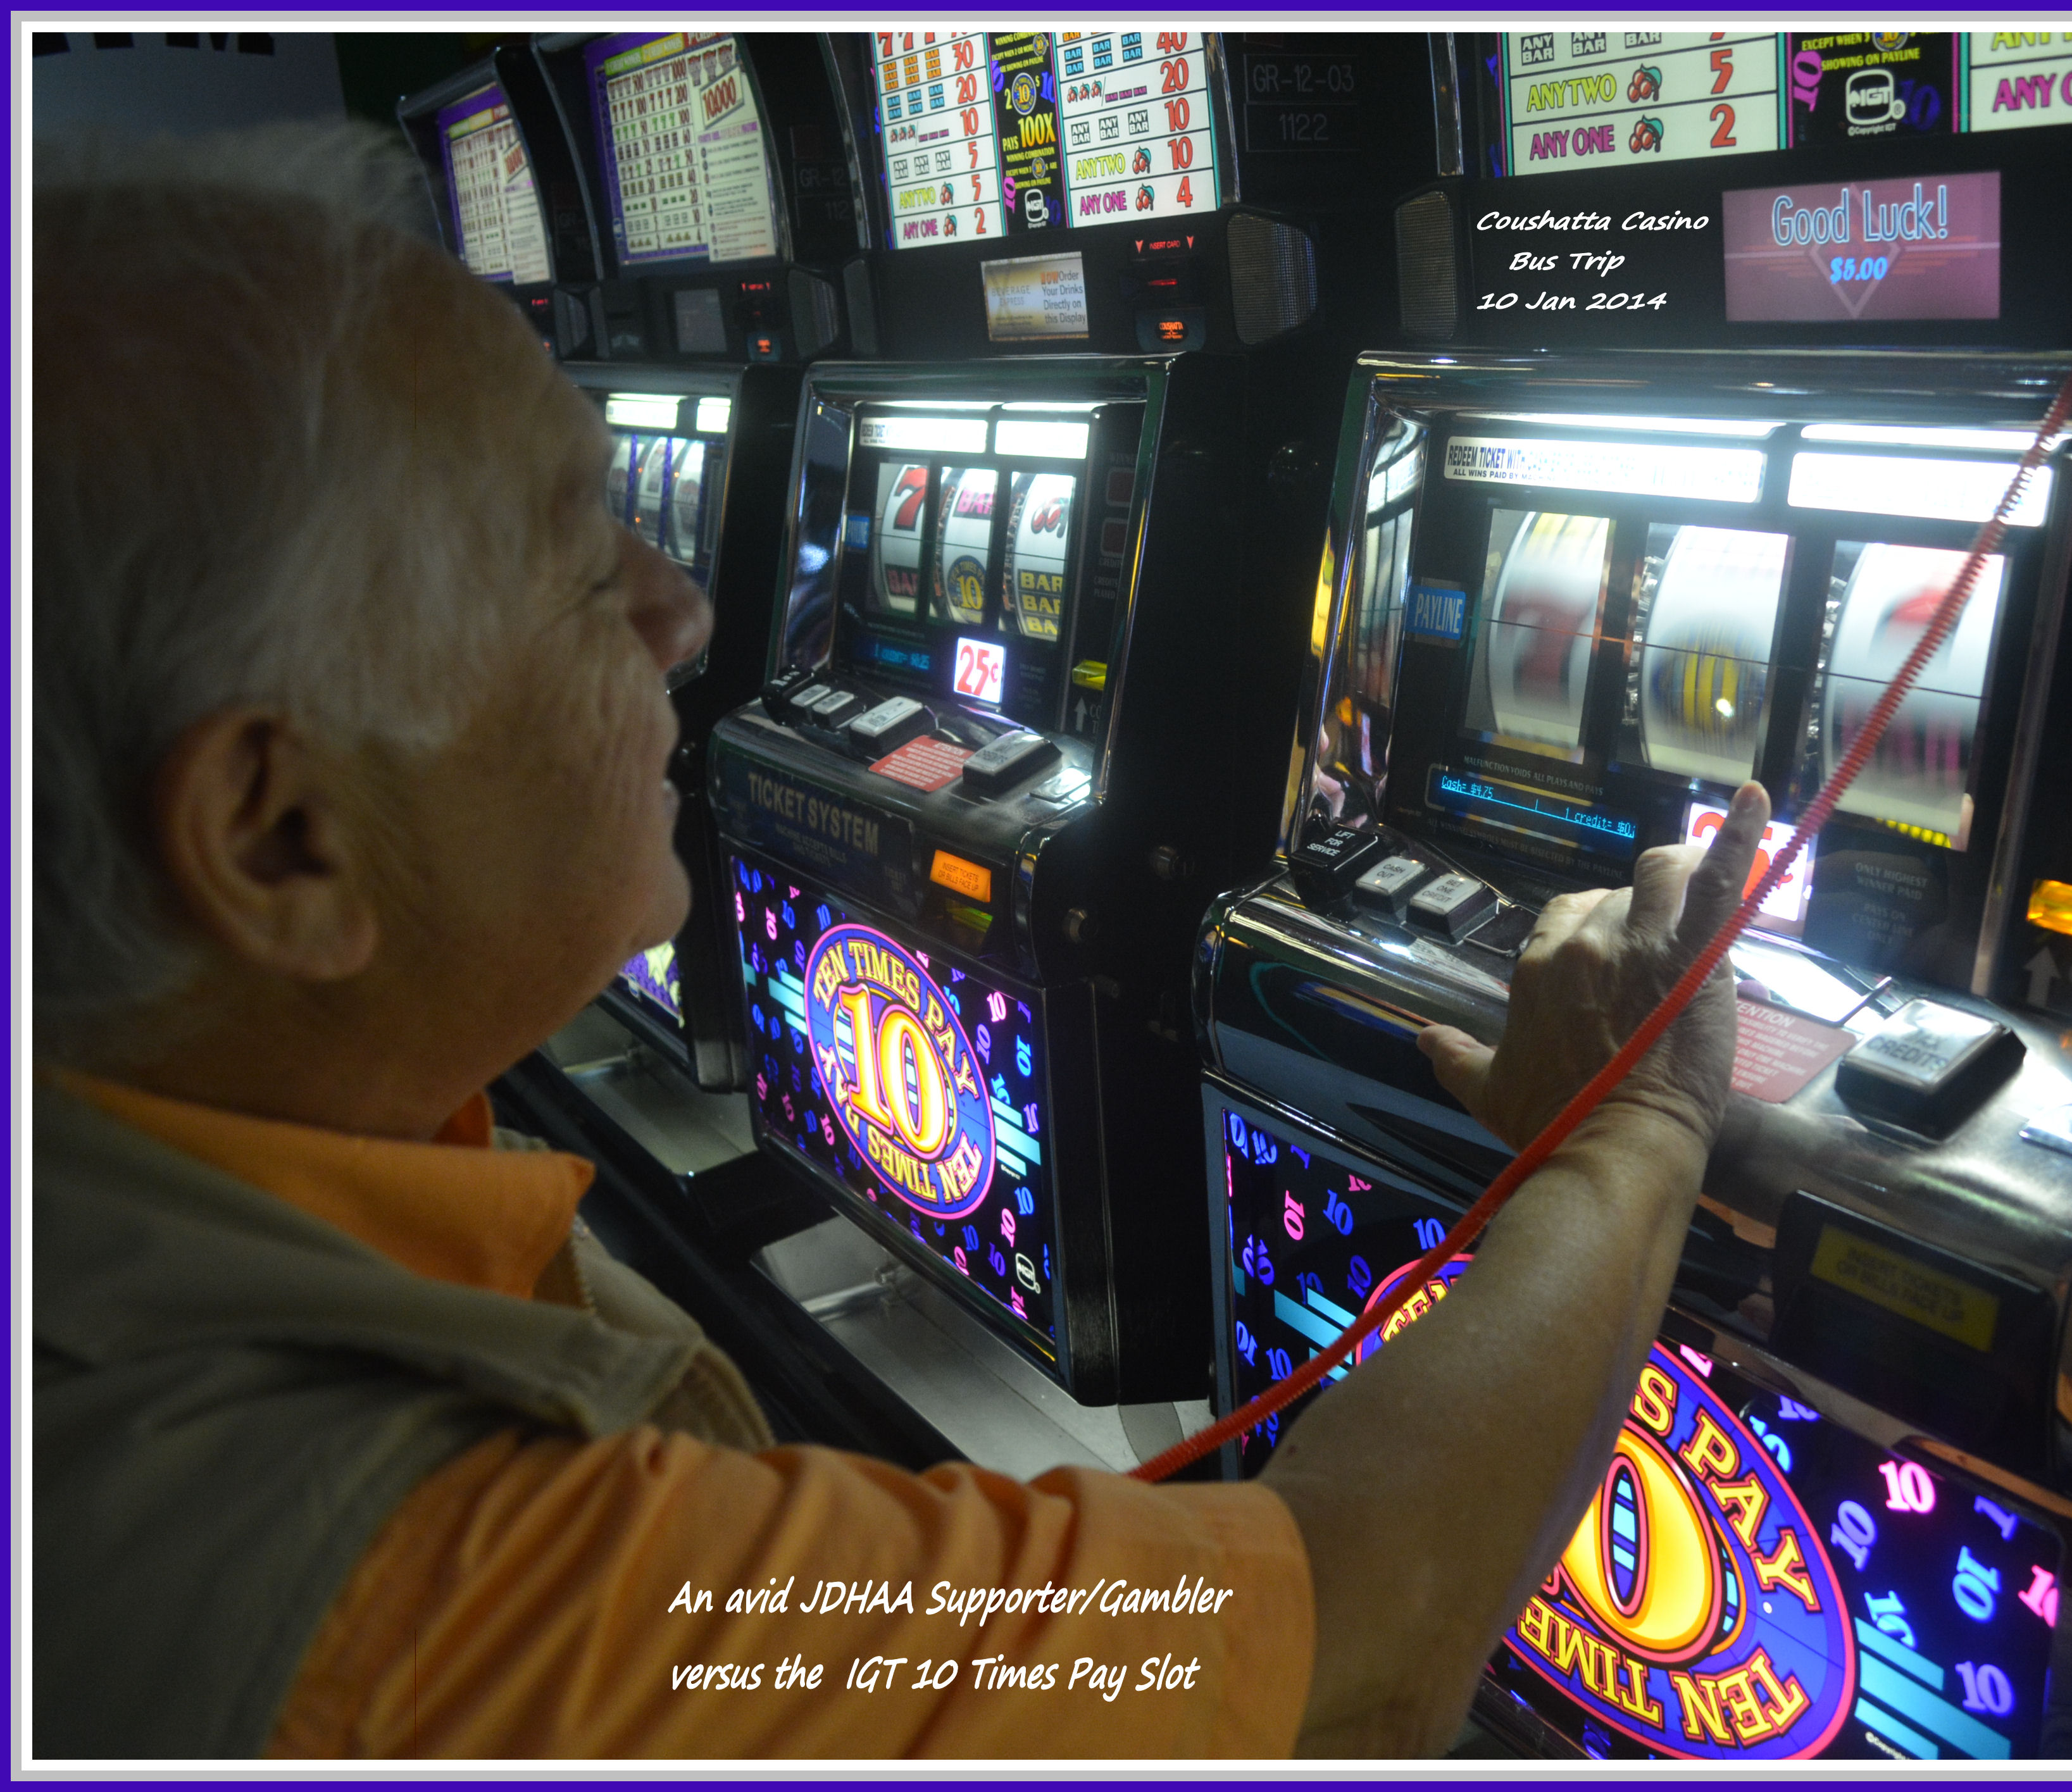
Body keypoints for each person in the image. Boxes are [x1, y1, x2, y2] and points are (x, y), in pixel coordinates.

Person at [30, 125, 1770, 1760]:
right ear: (280, 836)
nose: (687, 610)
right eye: (571, 566)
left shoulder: (231, 1170)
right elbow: (1357, 1645)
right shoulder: (433, 1584)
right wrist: (1636, 1126)